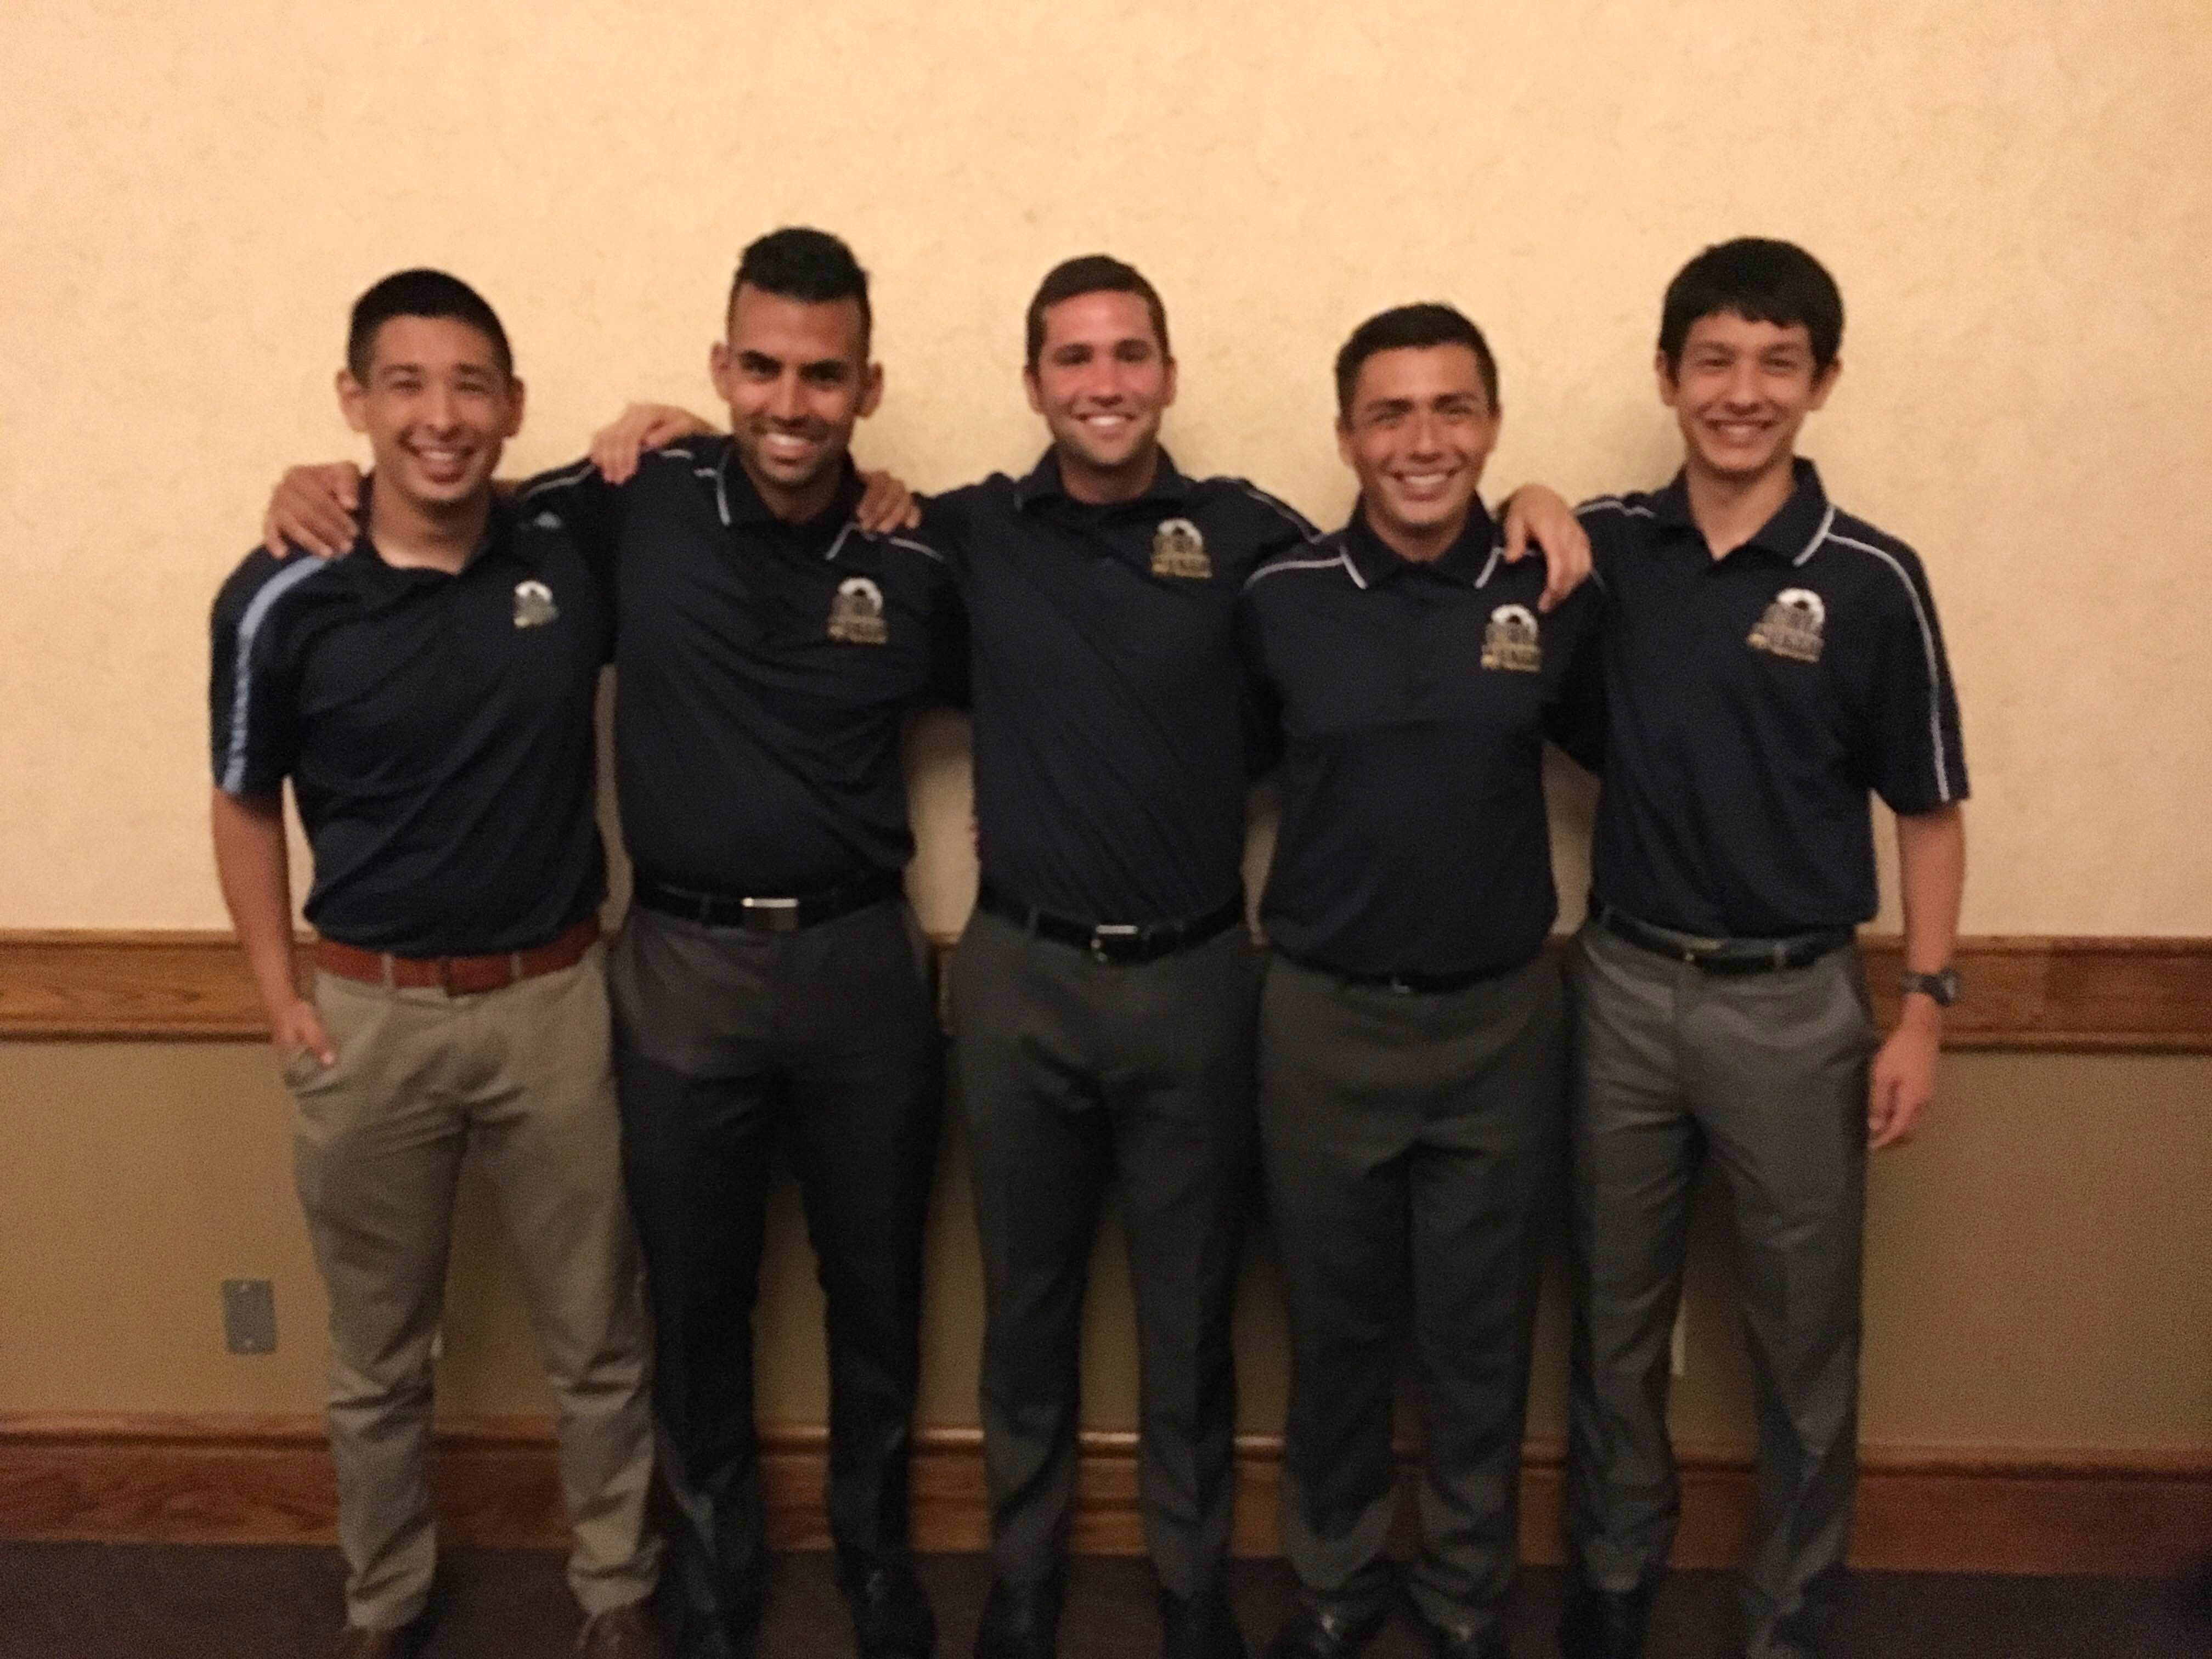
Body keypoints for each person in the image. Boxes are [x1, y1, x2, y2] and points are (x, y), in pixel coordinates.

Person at [589, 256, 1590, 1659]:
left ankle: (1188, 1584)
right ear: (1033, 385)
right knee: (1029, 1304)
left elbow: (1403, 566)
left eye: (1129, 356)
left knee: (1187, 1314)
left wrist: (1530, 503)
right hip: (1017, 977)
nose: (1104, 383)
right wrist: (670, 430)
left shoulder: (1253, 540)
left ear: (1168, 375)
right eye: (1073, 359)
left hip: (1196, 979)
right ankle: (1023, 1576)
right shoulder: (960, 535)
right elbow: (797, 496)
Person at [261, 229, 961, 1659]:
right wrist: (315, 482)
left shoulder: (914, 547)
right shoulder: (635, 502)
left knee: (876, 1283)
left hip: (861, 965)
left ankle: (879, 1555)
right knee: (694, 1292)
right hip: (681, 968)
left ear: (867, 386)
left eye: (823, 376)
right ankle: (708, 1564)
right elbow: (455, 495)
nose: (789, 400)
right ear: (718, 368)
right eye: (758, 368)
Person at [210, 269, 663, 1659]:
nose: (441, 417)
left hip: (553, 1004)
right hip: (367, 1015)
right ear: (354, 402)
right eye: (404, 384)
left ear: (513, 406)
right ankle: (387, 1600)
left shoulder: (564, 543)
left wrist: (662, 416)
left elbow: (721, 444)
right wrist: (280, 997)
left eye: (472, 385)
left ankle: (618, 1593)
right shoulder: (281, 592)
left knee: (598, 1337)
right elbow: (242, 802)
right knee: (377, 1360)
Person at [1561, 239, 1969, 1659]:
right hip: (1620, 984)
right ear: (1667, 375)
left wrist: (1921, 1010)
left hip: (1797, 1006)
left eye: (1777, 364)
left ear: (1823, 382)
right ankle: (1613, 1583)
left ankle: (1790, 1612)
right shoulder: (1609, 547)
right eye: (1715, 362)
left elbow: (1928, 809)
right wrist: (1537, 497)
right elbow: (1504, 555)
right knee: (1617, 1325)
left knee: (1803, 1344)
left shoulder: (1870, 581)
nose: (1743, 393)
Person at [1239, 304, 1600, 1659]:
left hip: (1501, 1019)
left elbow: (1639, 742)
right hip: (1324, 1017)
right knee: (1332, 1333)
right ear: (1346, 435)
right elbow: (1197, 755)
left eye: (1452, 409)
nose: (1422, 440)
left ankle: (1460, 1591)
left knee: (1478, 1334)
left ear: (1492, 428)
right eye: (1390, 413)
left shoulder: (1549, 586)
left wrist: (1547, 504)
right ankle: (1333, 1577)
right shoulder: (1276, 597)